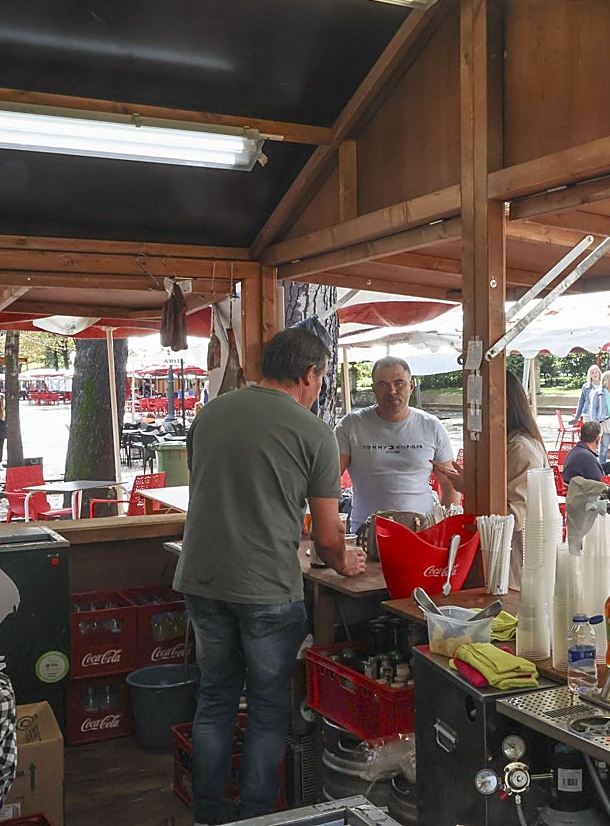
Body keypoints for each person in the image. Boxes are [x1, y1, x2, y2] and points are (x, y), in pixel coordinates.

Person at [174, 327, 365, 825]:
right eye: (321, 377)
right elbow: (327, 539)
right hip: (266, 587)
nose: (320, 386)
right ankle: (257, 817)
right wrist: (347, 561)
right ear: (309, 374)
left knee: (215, 697)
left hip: (201, 577)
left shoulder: (209, 414)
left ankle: (210, 814)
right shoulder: (314, 431)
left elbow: (214, 490)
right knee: (266, 707)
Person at [337, 356, 459, 533]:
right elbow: (329, 481)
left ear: (411, 386)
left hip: (421, 532)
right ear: (373, 389)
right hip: (367, 534)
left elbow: (450, 485)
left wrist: (445, 531)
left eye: (399, 383)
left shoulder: (431, 426)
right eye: (383, 384)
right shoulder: (351, 425)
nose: (391, 391)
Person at [503, 371, 547, 589]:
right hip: (510, 561)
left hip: (517, 566)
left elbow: (513, 516)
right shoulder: (509, 443)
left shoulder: (520, 447)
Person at [593, 370, 610, 467]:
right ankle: (602, 467)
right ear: (607, 380)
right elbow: (593, 408)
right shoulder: (599, 393)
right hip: (604, 422)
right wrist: (595, 422)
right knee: (604, 447)